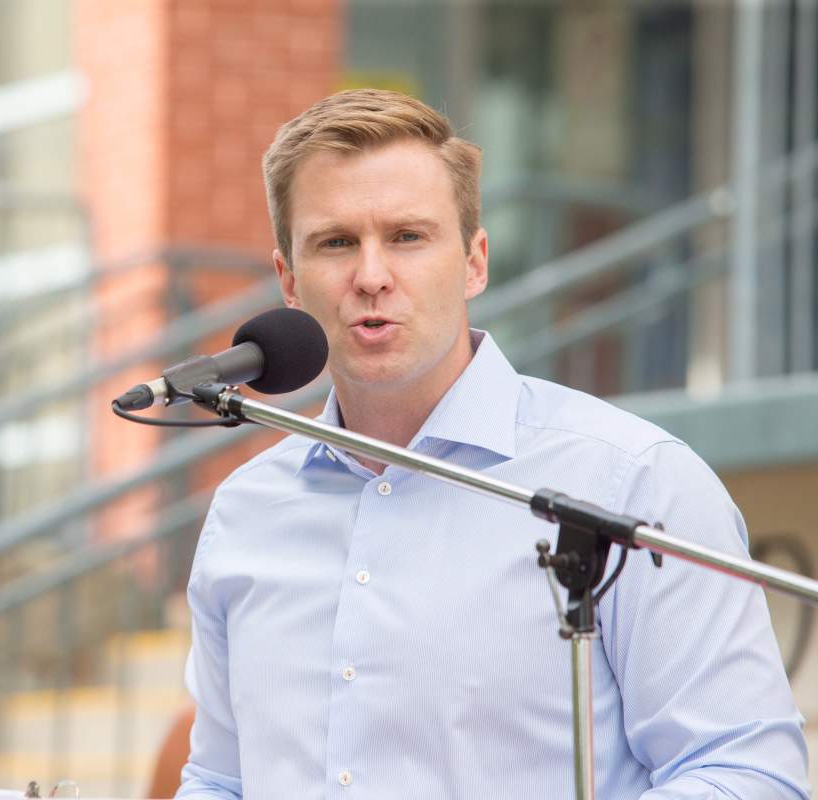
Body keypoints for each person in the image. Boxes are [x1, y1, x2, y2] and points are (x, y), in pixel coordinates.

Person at [175, 89, 809, 799]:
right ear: (289, 280)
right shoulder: (246, 512)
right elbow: (219, 779)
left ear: (475, 262)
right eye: (336, 243)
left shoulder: (632, 483)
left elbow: (748, 774)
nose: (372, 276)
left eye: (408, 237)